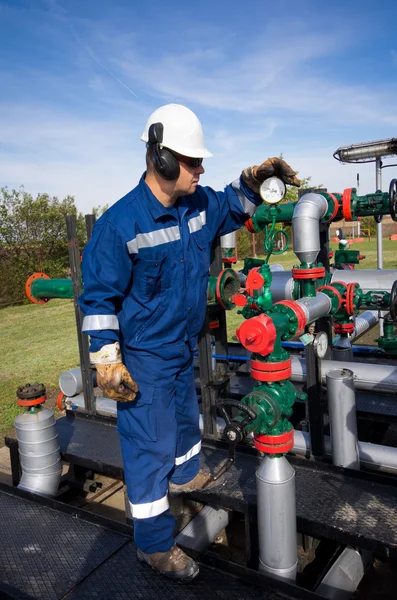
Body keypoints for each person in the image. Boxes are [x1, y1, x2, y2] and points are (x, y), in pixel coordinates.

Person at [79, 103, 300, 582]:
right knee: (148, 450)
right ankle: (154, 547)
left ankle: (185, 476)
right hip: (145, 360)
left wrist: (257, 181)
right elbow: (97, 298)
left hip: (180, 349)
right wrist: (108, 360)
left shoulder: (197, 207)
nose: (202, 170)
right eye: (193, 161)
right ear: (161, 159)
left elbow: (233, 205)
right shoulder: (121, 226)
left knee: (185, 423)